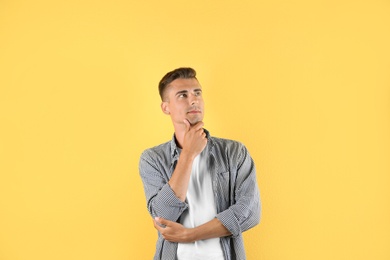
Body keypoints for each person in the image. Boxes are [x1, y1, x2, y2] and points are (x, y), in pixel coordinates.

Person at [139, 67, 261, 260]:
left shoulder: (234, 153)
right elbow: (163, 216)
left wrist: (189, 235)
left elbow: (250, 213)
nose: (193, 99)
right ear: (166, 107)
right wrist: (188, 154)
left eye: (197, 93)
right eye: (182, 95)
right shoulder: (153, 159)